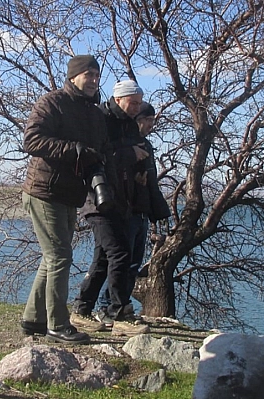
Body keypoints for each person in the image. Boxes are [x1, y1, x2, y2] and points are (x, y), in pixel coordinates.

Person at [19, 55, 112, 345]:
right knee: (60, 256)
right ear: (73, 77)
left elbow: (100, 148)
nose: (94, 80)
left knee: (53, 258)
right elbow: (31, 140)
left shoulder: (95, 113)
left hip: (70, 194)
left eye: (97, 75)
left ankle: (34, 319)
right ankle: (58, 324)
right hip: (44, 190)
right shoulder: (52, 102)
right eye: (89, 75)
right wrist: (75, 150)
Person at [70, 80, 152, 337]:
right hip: (97, 199)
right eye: (134, 103)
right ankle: (118, 313)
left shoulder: (127, 123)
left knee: (104, 259)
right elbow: (96, 155)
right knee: (120, 255)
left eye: (139, 103)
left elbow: (127, 158)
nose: (137, 108)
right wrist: (130, 154)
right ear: (119, 99)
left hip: (120, 200)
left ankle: (82, 311)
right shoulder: (101, 119)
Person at [96, 101, 171, 322]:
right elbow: (115, 175)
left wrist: (156, 210)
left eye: (152, 120)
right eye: (147, 120)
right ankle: (106, 307)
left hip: (141, 210)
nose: (151, 124)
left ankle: (119, 306)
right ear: (136, 121)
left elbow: (150, 182)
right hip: (124, 211)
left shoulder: (146, 146)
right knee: (118, 262)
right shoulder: (120, 145)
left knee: (132, 264)